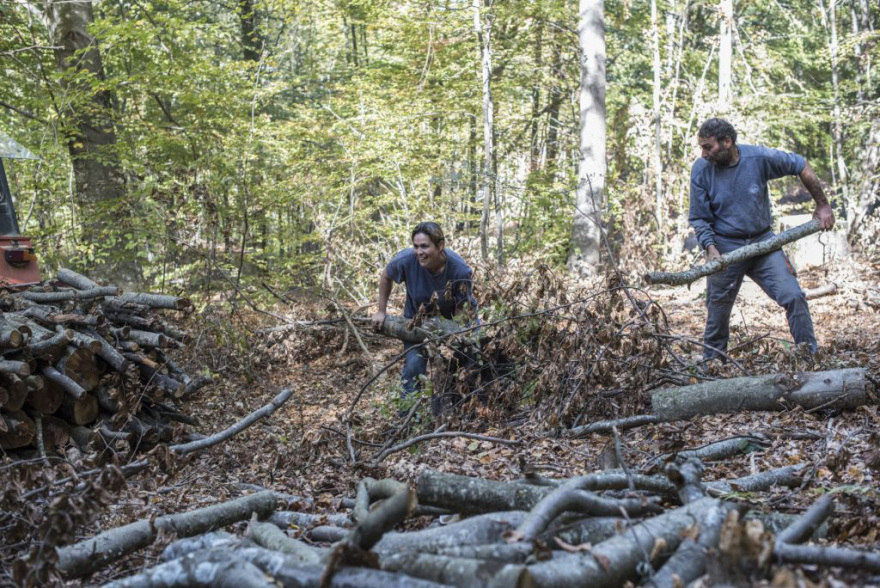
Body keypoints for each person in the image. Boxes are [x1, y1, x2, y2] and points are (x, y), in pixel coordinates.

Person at [689, 118, 835, 360]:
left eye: (708, 147)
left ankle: (810, 358)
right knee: (717, 313)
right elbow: (699, 218)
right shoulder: (701, 170)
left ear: (727, 142)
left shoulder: (758, 159)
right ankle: (712, 372)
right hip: (725, 248)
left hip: (764, 243)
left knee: (794, 297)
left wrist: (822, 205)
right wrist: (711, 249)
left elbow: (801, 164)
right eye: (701, 147)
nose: (703, 154)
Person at [371, 222, 477, 409]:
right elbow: (386, 276)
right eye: (416, 246)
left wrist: (453, 337)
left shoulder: (459, 269)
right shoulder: (405, 260)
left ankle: (464, 409)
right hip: (417, 321)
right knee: (413, 367)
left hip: (455, 319)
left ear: (440, 246)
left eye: (425, 246)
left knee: (467, 361)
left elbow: (462, 311)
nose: (419, 252)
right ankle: (409, 420)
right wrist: (381, 311)